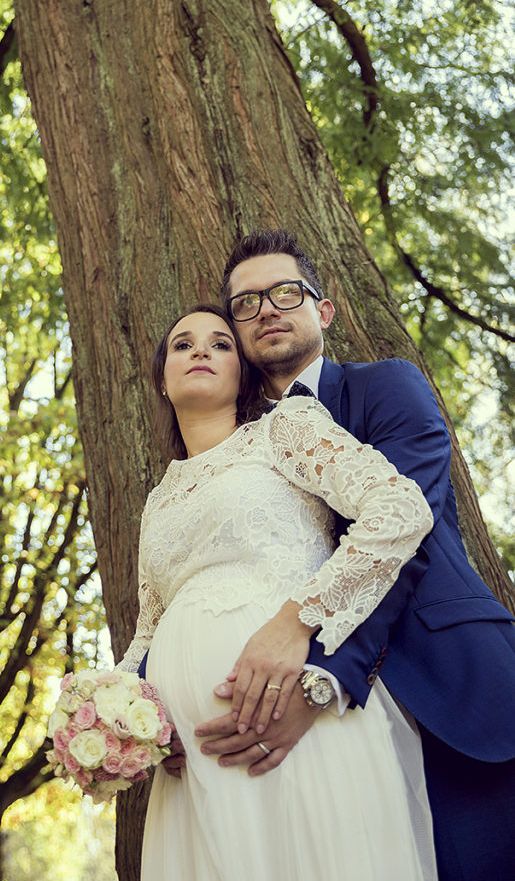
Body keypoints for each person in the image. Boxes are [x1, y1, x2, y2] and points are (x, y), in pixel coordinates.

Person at [193, 229, 515, 881]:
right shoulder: (242, 447)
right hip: (333, 755)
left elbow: (407, 536)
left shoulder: (386, 385)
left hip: (449, 688)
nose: (267, 309)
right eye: (246, 303)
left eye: (285, 292)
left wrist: (323, 677)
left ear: (324, 309)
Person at [118, 302, 437, 880]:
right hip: (195, 764)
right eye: (183, 344)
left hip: (301, 720)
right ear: (162, 380)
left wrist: (297, 621)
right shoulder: (157, 500)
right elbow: (149, 628)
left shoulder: (284, 428)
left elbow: (398, 509)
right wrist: (126, 714)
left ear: (243, 374)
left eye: (220, 344)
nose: (200, 350)